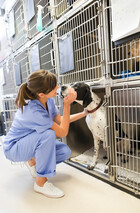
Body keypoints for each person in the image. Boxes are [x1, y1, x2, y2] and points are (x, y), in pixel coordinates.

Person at [3, 70, 86, 198]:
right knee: (48, 135)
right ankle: (40, 183)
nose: (57, 87)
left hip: (29, 142)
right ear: (41, 94)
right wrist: (67, 104)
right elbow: (62, 132)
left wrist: (84, 113)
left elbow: (61, 120)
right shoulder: (32, 109)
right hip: (14, 148)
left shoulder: (48, 101)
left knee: (64, 151)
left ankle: (32, 161)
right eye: (54, 86)